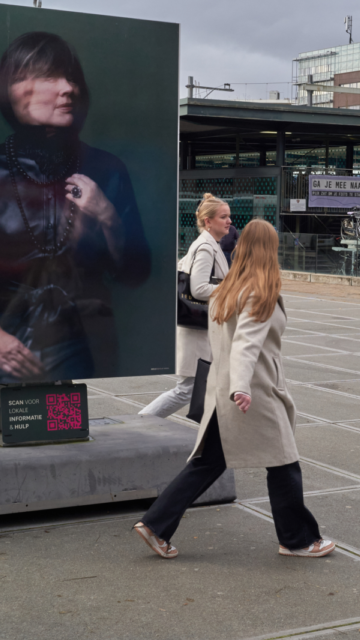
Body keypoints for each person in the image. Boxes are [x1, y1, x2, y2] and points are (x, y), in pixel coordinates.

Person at [0, 31, 151, 385]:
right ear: (16, 88)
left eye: (72, 77)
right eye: (51, 77)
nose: (68, 88)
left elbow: (135, 273)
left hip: (84, 353)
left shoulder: (107, 169)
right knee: (10, 430)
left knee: (68, 435)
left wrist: (107, 216)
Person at [133, 219, 334, 559]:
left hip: (222, 393)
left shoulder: (229, 287)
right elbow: (246, 344)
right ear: (269, 249)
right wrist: (242, 386)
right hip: (254, 394)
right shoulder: (258, 290)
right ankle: (297, 539)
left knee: (208, 463)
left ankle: (155, 525)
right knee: (284, 463)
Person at [139, 194, 230, 419]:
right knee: (186, 389)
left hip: (199, 330)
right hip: (197, 332)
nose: (229, 221)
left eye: (229, 216)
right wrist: (230, 291)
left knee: (204, 388)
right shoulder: (206, 247)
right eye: (223, 216)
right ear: (208, 221)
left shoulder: (208, 245)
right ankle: (143, 420)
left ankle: (215, 442)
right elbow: (199, 288)